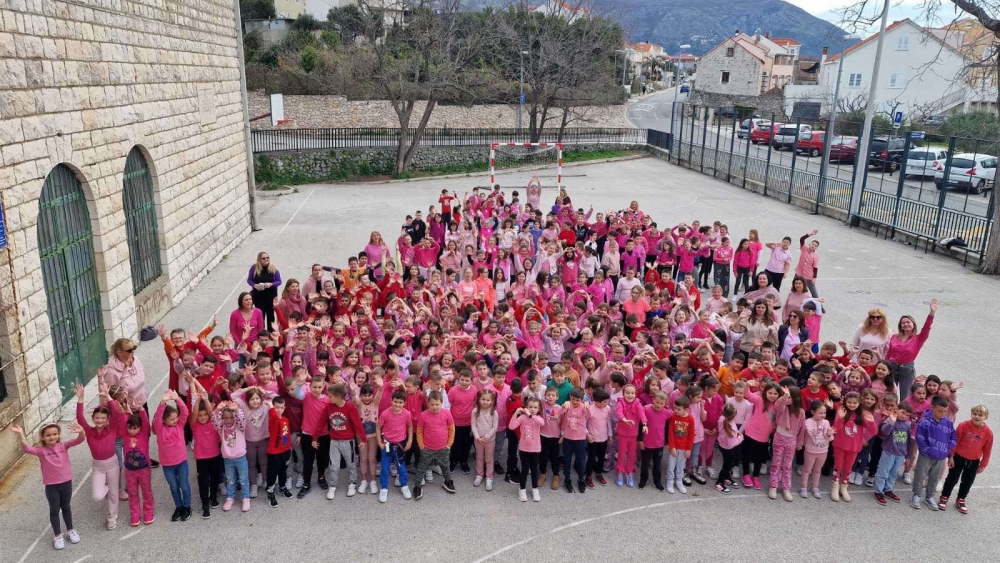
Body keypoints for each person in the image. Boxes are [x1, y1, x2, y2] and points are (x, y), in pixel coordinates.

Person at [8, 422, 86, 550]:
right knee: (54, 510)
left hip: (66, 483)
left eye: (55, 434)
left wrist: (81, 431)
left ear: (59, 435)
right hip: (51, 486)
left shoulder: (63, 446)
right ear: (43, 437)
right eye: (48, 435)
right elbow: (27, 449)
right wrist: (21, 434)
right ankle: (57, 535)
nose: (52, 437)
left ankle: (71, 530)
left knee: (66, 507)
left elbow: (80, 440)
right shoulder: (41, 451)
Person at [75, 381, 120, 530]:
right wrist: (80, 400)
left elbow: (117, 413)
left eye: (103, 418)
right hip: (98, 467)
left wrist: (107, 396)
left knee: (114, 495)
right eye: (97, 418)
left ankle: (112, 517)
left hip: (113, 464)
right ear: (93, 418)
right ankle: (105, 488)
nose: (99, 420)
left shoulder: (112, 429)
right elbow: (80, 418)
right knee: (97, 496)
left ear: (107, 420)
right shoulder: (89, 431)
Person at [939, 405, 992, 514]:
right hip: (958, 458)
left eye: (980, 415)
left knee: (968, 481)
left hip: (974, 461)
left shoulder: (988, 433)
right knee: (952, 479)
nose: (976, 416)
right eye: (974, 414)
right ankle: (944, 496)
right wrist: (951, 456)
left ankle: (961, 499)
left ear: (985, 417)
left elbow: (987, 450)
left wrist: (983, 464)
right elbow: (955, 442)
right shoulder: (963, 426)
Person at [318, 383, 366, 500]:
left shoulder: (349, 407)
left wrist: (363, 438)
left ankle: (352, 483)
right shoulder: (329, 407)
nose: (328, 398)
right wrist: (315, 438)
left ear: (338, 397)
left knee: (351, 464)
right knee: (333, 466)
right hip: (334, 441)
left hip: (347, 441)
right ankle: (333, 486)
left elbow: (357, 424)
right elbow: (321, 422)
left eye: (330, 396)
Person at [911, 395, 957, 510]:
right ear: (932, 408)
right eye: (939, 411)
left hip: (941, 456)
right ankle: (916, 495)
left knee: (934, 477)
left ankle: (929, 497)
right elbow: (920, 438)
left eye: (945, 411)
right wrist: (927, 450)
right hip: (926, 455)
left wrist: (947, 449)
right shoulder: (924, 422)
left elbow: (953, 438)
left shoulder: (948, 423)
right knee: (920, 475)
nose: (942, 414)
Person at [887, 299, 937, 400]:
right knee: (889, 394)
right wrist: (885, 365)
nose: (905, 324)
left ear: (913, 324)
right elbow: (889, 353)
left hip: (907, 369)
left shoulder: (918, 339)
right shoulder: (894, 337)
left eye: (908, 322)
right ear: (900, 326)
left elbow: (926, 328)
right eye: (903, 323)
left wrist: (932, 313)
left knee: (906, 396)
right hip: (892, 367)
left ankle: (902, 415)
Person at [153, 390, 191, 522]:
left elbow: (185, 412)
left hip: (181, 462)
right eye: (172, 419)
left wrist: (177, 399)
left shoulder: (179, 425)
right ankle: (179, 506)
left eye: (176, 418)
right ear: (164, 420)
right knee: (174, 487)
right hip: (168, 465)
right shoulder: (159, 428)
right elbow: (157, 417)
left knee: (184, 485)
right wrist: (162, 402)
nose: (175, 420)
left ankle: (187, 506)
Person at [413, 391, 457, 499]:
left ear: (441, 403)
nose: (435, 407)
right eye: (432, 404)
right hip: (427, 448)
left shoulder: (447, 413)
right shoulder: (423, 415)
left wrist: (449, 445)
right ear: (428, 403)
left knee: (445, 466)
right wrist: (422, 446)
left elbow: (452, 429)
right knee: (422, 468)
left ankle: (448, 481)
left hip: (443, 448)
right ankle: (417, 486)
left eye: (437, 404)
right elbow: (419, 431)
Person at [212, 399, 251, 512]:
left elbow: (242, 420)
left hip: (241, 457)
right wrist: (218, 409)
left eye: (231, 417)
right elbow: (215, 421)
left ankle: (245, 498)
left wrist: (237, 410)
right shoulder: (221, 428)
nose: (229, 420)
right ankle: (230, 497)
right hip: (228, 458)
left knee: (243, 479)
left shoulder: (240, 426)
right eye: (226, 417)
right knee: (230, 479)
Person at [377, 390, 414, 503]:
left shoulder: (407, 414)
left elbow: (410, 426)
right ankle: (384, 488)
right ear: (391, 400)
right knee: (385, 467)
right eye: (395, 401)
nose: (397, 404)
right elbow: (378, 427)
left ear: (404, 403)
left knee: (401, 466)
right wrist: (379, 442)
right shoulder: (385, 413)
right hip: (387, 444)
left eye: (400, 402)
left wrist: (410, 440)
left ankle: (404, 485)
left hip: (400, 444)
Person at [873, 401, 913, 506]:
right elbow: (884, 432)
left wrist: (908, 455)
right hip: (889, 452)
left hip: (900, 454)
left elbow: (908, 441)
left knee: (893, 474)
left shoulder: (908, 425)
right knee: (883, 472)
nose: (904, 416)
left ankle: (888, 489)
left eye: (907, 415)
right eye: (903, 413)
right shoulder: (890, 420)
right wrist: (891, 422)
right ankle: (878, 491)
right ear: (896, 410)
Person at [509, 397, 545, 502]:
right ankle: (522, 489)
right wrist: (516, 413)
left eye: (535, 407)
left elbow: (542, 423)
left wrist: (531, 415)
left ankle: (535, 489)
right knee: (524, 469)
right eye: (530, 407)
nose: (533, 409)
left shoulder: (538, 418)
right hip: (524, 448)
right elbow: (511, 426)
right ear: (526, 407)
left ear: (538, 409)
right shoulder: (522, 418)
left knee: (534, 470)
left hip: (535, 448)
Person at [800, 401, 833, 499]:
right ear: (813, 412)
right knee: (807, 470)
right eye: (820, 413)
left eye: (824, 413)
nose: (823, 415)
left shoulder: (826, 422)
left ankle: (815, 487)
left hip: (823, 451)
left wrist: (828, 434)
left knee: (818, 470)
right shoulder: (808, 422)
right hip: (810, 450)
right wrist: (819, 429)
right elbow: (811, 433)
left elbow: (830, 438)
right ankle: (804, 487)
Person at [666, 395, 695, 494]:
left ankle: (679, 481)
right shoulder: (673, 417)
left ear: (686, 409)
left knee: (680, 466)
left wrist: (689, 449)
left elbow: (691, 436)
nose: (676, 411)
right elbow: (670, 432)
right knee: (671, 466)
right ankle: (670, 482)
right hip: (674, 447)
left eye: (678, 409)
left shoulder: (690, 419)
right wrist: (672, 446)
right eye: (675, 408)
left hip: (684, 448)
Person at [471, 389, 499, 490]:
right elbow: (473, 426)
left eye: (488, 400)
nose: (485, 402)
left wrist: (486, 437)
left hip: (489, 440)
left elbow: (495, 427)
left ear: (491, 401)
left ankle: (489, 477)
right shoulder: (475, 411)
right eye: (483, 399)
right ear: (479, 399)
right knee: (479, 457)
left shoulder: (494, 412)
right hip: (478, 440)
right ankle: (479, 475)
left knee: (489, 458)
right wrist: (478, 437)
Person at [247, 251, 282, 331]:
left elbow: (279, 281)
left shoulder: (273, 268)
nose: (266, 259)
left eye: (267, 258)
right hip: (258, 296)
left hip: (271, 295)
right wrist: (254, 285)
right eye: (263, 258)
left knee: (271, 315)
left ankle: (271, 332)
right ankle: (261, 333)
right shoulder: (254, 268)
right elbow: (249, 280)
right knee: (260, 315)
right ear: (259, 259)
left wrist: (271, 284)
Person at [794, 230, 820, 297]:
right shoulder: (804, 249)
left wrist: (814, 278)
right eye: (812, 244)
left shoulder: (816, 256)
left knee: (813, 291)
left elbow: (815, 268)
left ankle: (819, 305)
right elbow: (802, 239)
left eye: (815, 246)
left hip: (808, 276)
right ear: (809, 244)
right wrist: (810, 234)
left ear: (816, 248)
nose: (813, 246)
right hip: (798, 273)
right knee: (795, 288)